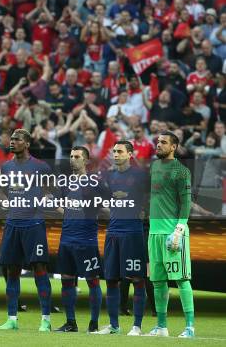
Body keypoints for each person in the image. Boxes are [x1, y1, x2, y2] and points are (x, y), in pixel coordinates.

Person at [0, 128, 53, 332]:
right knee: (12, 270)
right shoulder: (6, 167)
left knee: (39, 268)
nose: (12, 142)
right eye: (11, 139)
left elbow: (50, 191)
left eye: (17, 139)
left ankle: (45, 319)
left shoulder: (41, 166)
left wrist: (44, 200)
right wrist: (5, 202)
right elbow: (0, 190)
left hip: (34, 224)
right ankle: (12, 318)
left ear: (27, 143)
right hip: (12, 224)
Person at [96, 141, 149, 335]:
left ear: (130, 154)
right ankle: (114, 325)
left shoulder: (141, 175)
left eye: (119, 151)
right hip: (113, 232)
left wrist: (145, 212)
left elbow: (154, 196)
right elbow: (104, 199)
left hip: (133, 232)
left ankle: (137, 326)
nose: (116, 154)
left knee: (137, 279)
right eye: (114, 151)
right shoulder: (109, 175)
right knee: (111, 279)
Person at [146, 131, 195, 338]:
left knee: (182, 279)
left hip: (172, 233)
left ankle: (190, 328)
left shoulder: (181, 171)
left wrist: (179, 228)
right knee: (157, 281)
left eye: (163, 142)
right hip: (154, 232)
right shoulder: (154, 166)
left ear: (173, 147)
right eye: (158, 142)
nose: (158, 145)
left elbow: (185, 203)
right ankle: (161, 327)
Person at [55, 146, 102, 333]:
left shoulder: (94, 182)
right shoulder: (65, 182)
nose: (72, 159)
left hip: (86, 239)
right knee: (66, 280)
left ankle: (94, 323)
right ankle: (70, 323)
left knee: (92, 281)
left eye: (77, 157)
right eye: (71, 156)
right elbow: (62, 207)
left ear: (86, 161)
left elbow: (106, 207)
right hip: (66, 239)